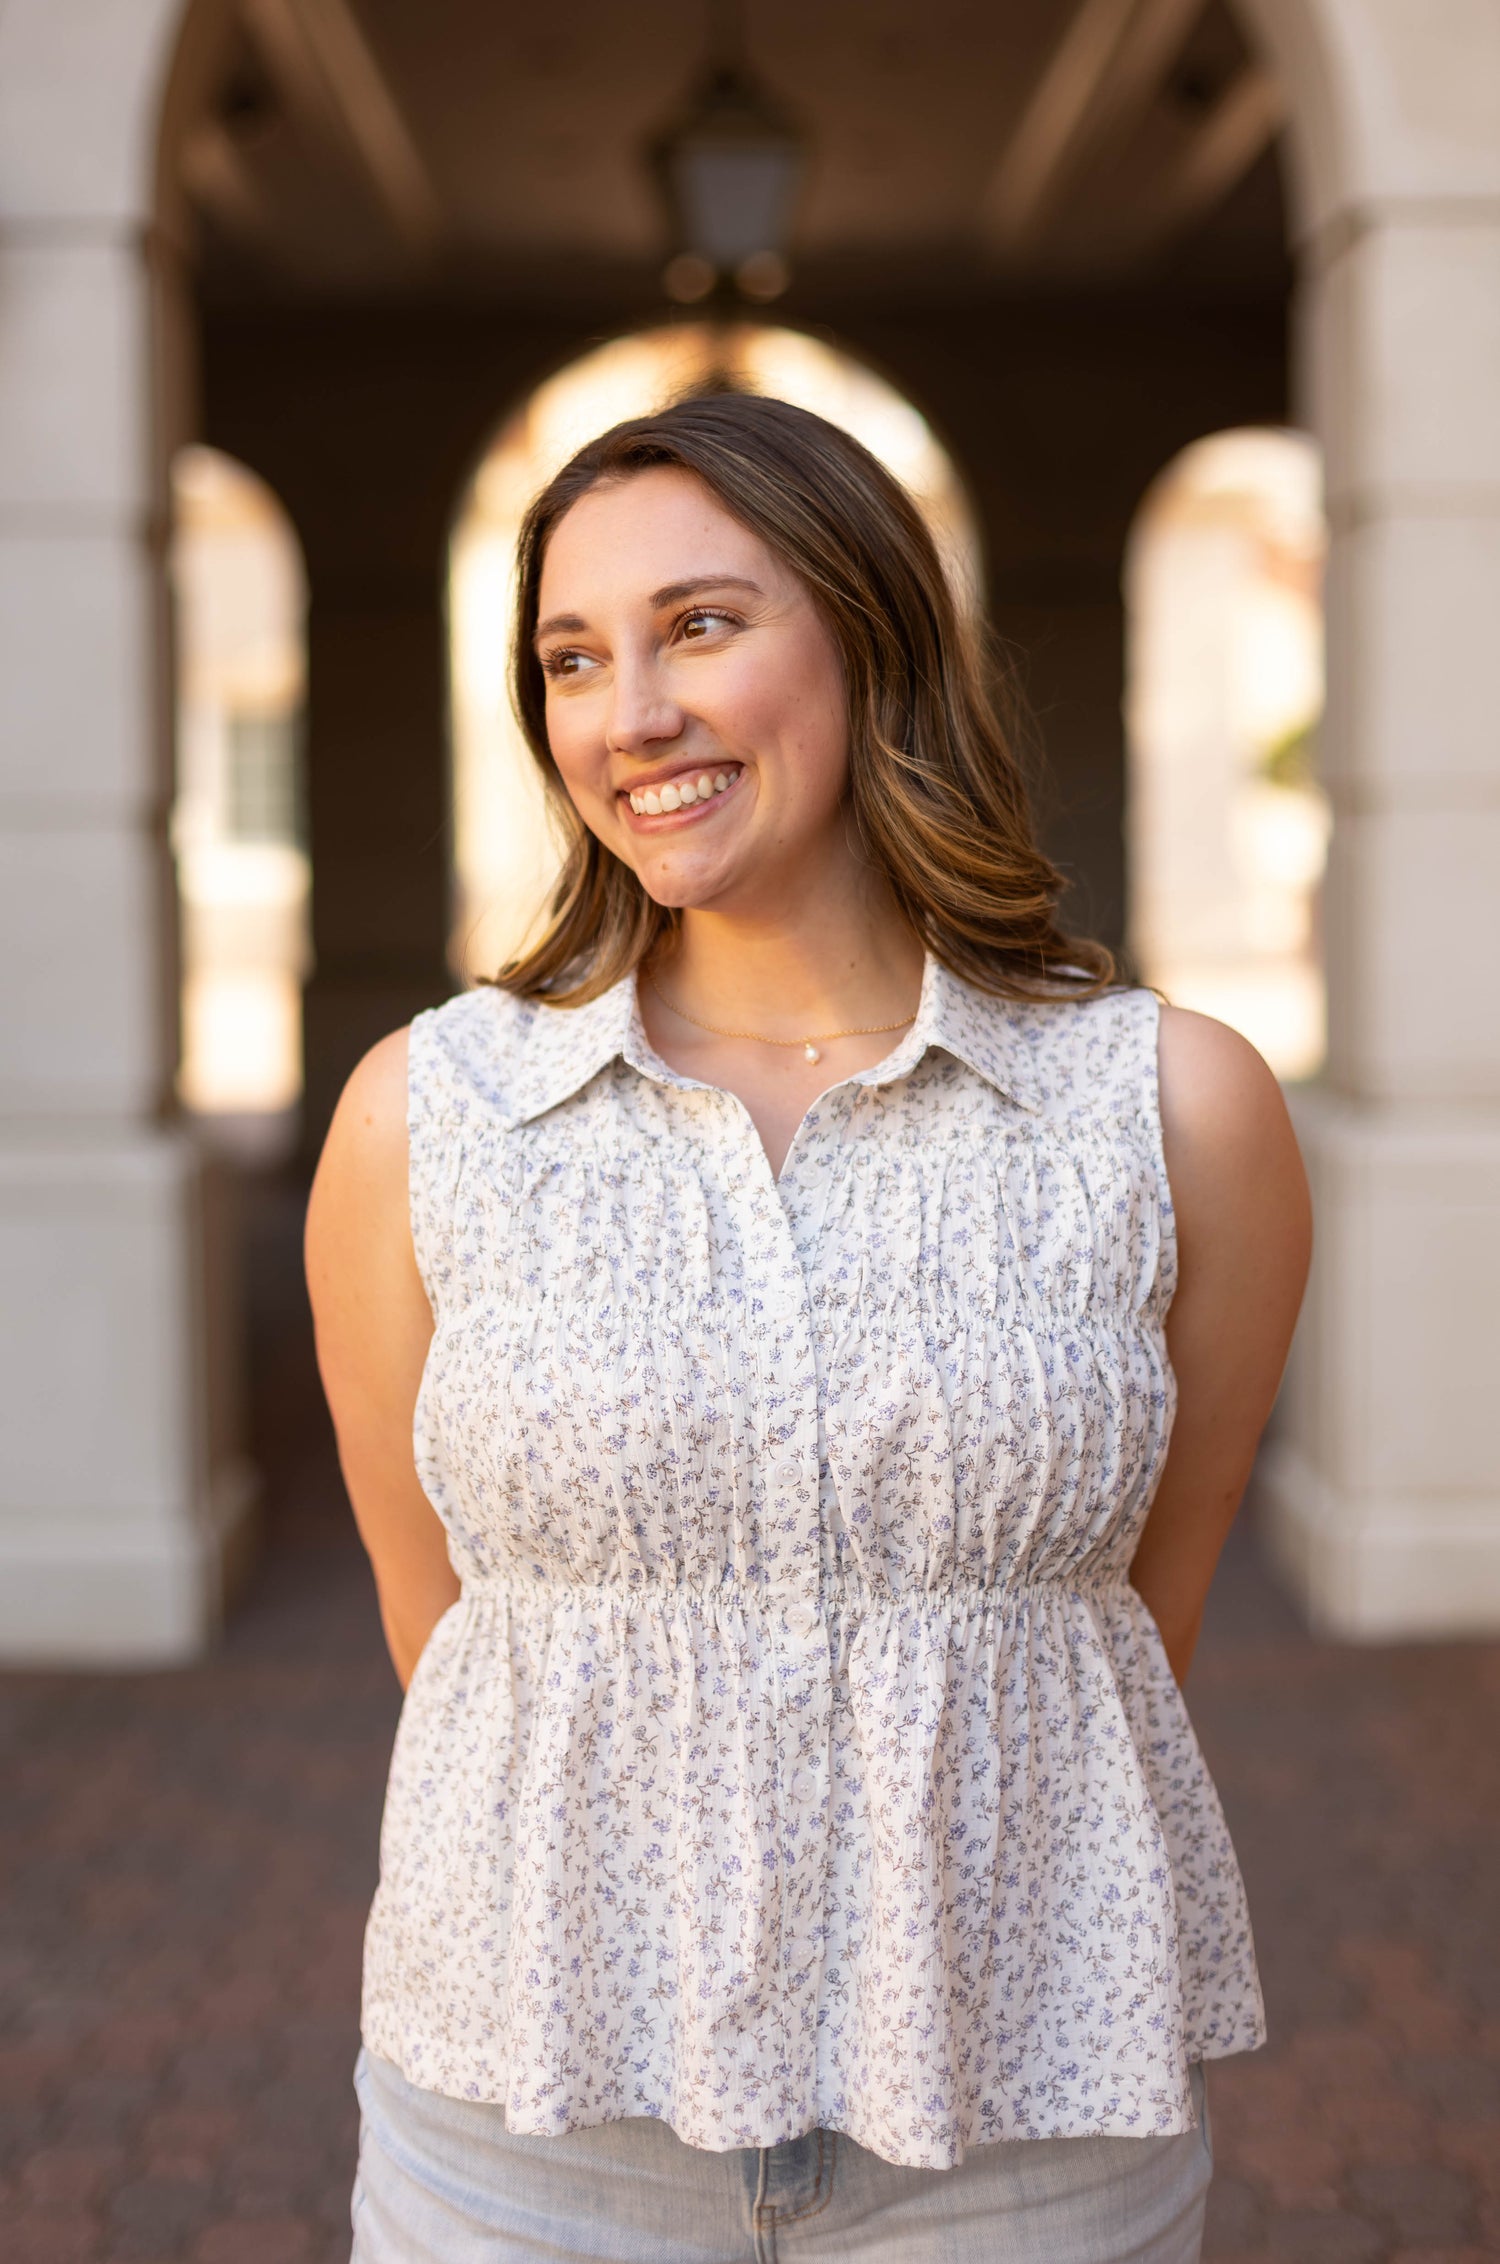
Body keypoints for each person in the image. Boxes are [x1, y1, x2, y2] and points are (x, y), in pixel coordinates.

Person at [306, 391, 1311, 2264]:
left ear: (870, 635)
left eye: (702, 624)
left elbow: (1126, 1624)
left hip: (1019, 2118)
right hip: (535, 2123)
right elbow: (437, 1624)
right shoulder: (429, 1115)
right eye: (573, 657)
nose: (633, 714)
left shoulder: (1169, 1110)